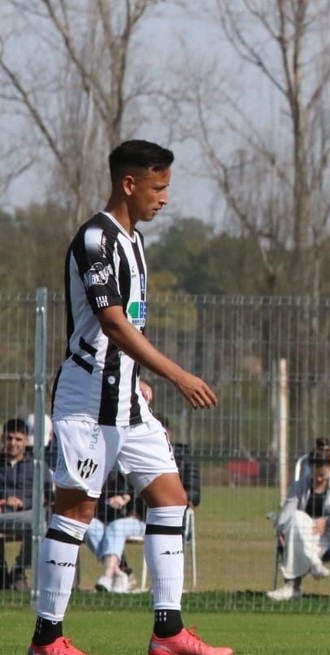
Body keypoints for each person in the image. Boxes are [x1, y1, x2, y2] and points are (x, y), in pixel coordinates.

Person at [31, 140, 229, 655]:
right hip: (86, 402)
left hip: (128, 401)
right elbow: (114, 325)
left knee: (171, 500)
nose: (165, 198)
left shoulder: (134, 242)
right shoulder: (95, 240)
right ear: (129, 183)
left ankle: (168, 632)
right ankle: (46, 639)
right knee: (75, 512)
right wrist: (178, 375)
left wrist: (136, 377)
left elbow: (128, 331)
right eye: (158, 187)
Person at [86, 414, 200, 595]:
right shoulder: (138, 456)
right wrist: (126, 498)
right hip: (138, 518)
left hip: (166, 517)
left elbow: (194, 494)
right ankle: (118, 572)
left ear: (167, 434)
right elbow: (130, 488)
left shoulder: (183, 458)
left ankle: (114, 574)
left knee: (116, 527)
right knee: (97, 526)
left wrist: (168, 497)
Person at [266, 437, 330, 601]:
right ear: (309, 468)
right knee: (296, 517)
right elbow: (287, 513)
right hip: (300, 534)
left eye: (322, 475)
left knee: (295, 526)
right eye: (314, 474)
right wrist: (281, 529)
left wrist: (328, 521)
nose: (318, 479)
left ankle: (292, 587)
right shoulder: (298, 486)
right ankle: (314, 564)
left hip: (327, 537)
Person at [0, 418, 35, 590]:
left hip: (25, 516)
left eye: (18, 439)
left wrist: (23, 502)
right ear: (3, 438)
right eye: (9, 438)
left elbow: (46, 495)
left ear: (26, 441)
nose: (13, 443)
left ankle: (19, 570)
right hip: (1, 514)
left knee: (39, 523)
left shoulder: (36, 466)